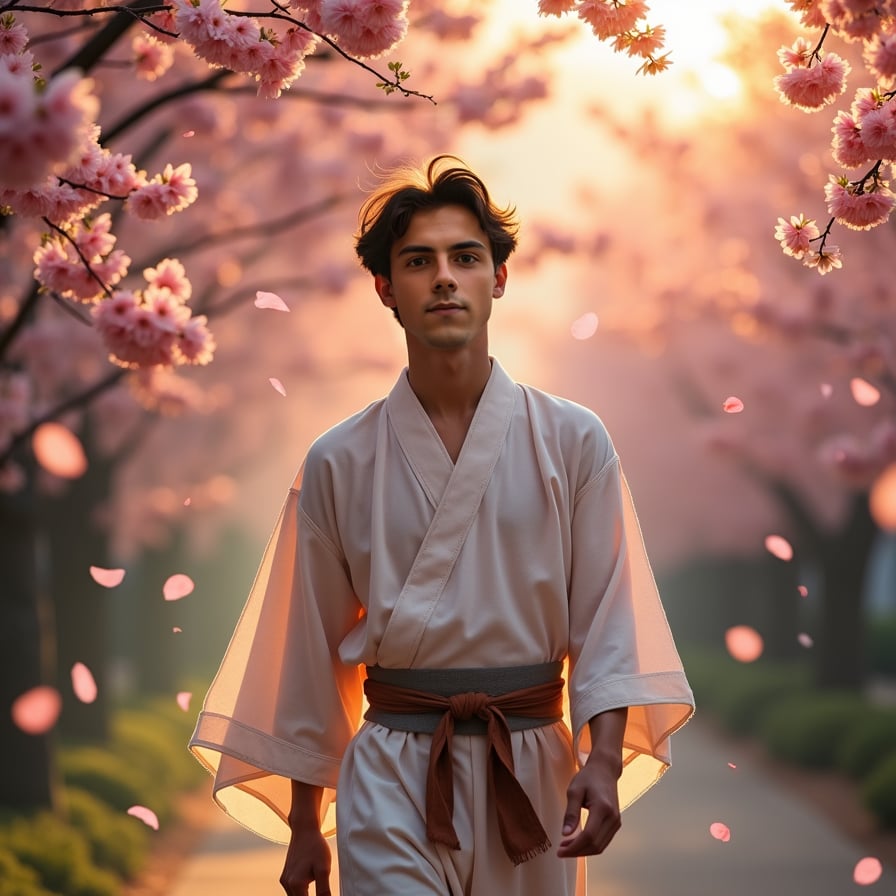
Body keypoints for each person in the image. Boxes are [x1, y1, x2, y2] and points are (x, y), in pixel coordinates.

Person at [189, 155, 694, 896]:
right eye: (419, 262)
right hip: (393, 766)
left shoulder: (574, 441)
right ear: (386, 290)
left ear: (499, 278)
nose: (445, 278)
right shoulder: (339, 460)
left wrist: (604, 760)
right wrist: (304, 828)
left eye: (466, 257)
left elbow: (609, 616)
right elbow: (305, 647)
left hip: (530, 763)